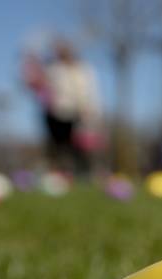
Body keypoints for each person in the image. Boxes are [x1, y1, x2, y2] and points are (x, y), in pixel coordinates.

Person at [24, 39, 101, 176]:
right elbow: (39, 85)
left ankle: (82, 173)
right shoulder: (53, 69)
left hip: (78, 112)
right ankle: (56, 172)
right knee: (56, 144)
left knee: (79, 145)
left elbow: (90, 90)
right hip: (55, 112)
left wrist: (90, 109)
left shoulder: (84, 69)